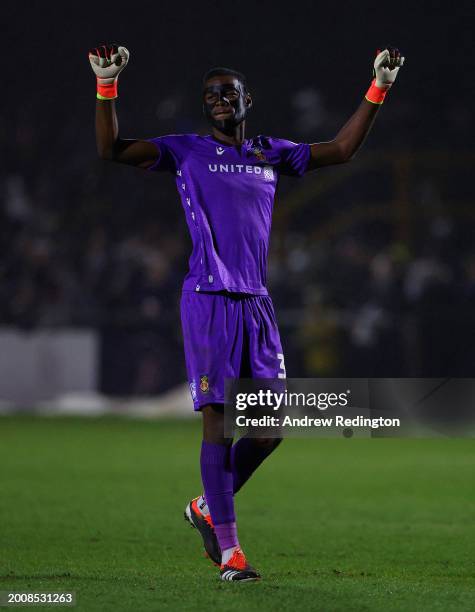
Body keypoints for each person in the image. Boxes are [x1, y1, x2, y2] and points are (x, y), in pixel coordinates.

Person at [88, 44, 404, 581]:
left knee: (269, 430)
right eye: (210, 94)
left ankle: (208, 505)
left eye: (227, 92)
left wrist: (379, 88)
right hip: (209, 300)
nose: (218, 100)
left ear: (246, 100)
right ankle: (231, 554)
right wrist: (106, 86)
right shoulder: (185, 151)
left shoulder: (270, 153)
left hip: (257, 303)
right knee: (220, 424)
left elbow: (341, 149)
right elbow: (112, 150)